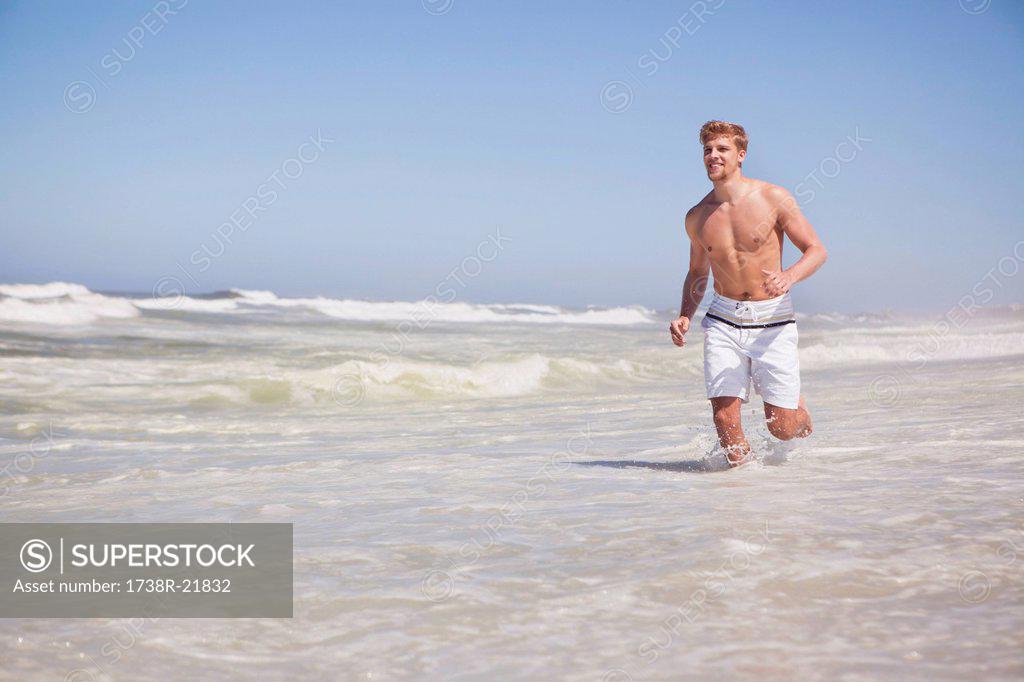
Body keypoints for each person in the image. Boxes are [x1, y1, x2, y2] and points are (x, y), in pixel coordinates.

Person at [669, 121, 828, 466]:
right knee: (725, 421)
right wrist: (685, 314)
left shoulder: (773, 198)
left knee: (782, 427)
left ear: (741, 155)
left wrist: (789, 276)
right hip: (723, 319)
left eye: (722, 149)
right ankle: (742, 492)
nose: (713, 156)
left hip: (773, 318)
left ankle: (799, 413)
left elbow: (816, 250)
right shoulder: (697, 217)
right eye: (708, 150)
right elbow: (698, 273)